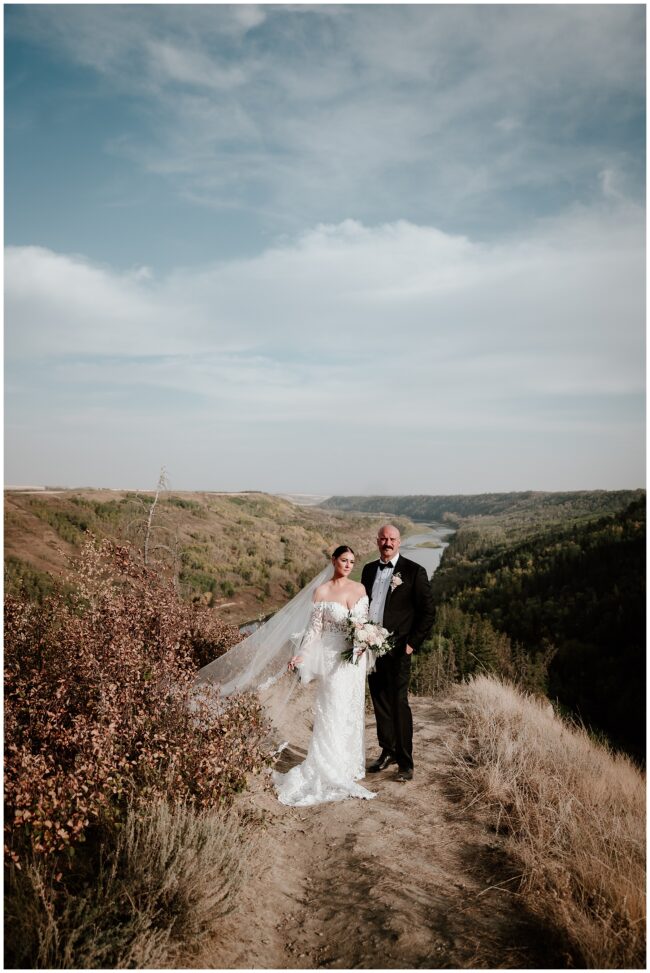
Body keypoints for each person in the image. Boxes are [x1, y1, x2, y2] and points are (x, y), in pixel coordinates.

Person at [272, 545, 376, 807]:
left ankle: (347, 764)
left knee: (351, 709)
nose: (348, 565)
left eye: (352, 561)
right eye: (344, 560)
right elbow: (314, 630)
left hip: (355, 660)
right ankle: (327, 765)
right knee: (332, 709)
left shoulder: (360, 589)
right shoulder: (322, 591)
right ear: (333, 560)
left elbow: (364, 624)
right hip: (332, 659)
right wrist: (301, 655)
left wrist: (366, 641)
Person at [361, 524, 434, 782]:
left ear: (399, 542)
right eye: (383, 538)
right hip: (371, 648)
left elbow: (428, 612)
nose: (387, 543)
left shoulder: (414, 571)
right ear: (377, 541)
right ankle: (388, 751)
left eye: (392, 539)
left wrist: (411, 644)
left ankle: (405, 762)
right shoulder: (368, 570)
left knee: (399, 704)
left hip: (399, 649)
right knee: (379, 702)